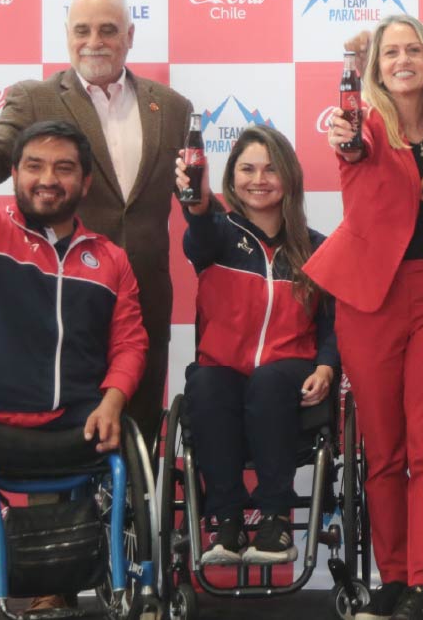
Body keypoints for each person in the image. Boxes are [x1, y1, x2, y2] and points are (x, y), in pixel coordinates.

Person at [0, 0, 193, 446]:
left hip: (144, 295)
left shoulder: (171, 107)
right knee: (58, 428)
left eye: (108, 30)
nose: (94, 42)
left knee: (139, 432)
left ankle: (133, 495)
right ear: (67, 35)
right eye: (82, 30)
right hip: (57, 300)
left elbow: (186, 189)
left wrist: (204, 205)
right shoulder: (34, 98)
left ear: (129, 35)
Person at [307, 15, 423, 620]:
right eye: (390, 53)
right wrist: (345, 134)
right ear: (375, 67)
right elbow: (351, 143)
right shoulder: (363, 124)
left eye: (413, 50)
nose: (402, 60)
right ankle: (394, 575)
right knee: (382, 451)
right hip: (369, 297)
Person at [174, 125, 337, 566]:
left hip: (288, 373)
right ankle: (225, 520)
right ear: (232, 177)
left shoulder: (316, 249)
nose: (258, 179)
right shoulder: (217, 236)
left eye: (270, 169)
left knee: (267, 381)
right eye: (247, 169)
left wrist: (326, 366)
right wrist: (197, 204)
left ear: (289, 177)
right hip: (224, 372)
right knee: (206, 384)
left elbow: (332, 324)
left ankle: (275, 518)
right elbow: (197, 233)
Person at [0, 119, 146, 447]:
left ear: (85, 183)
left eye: (64, 168)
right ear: (15, 174)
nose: (48, 179)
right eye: (34, 166)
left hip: (77, 419)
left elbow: (129, 345)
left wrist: (112, 403)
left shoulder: (111, 259)